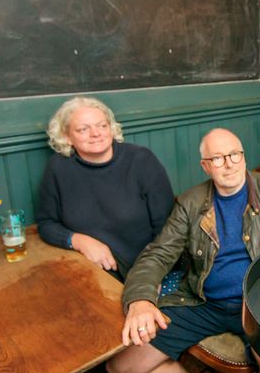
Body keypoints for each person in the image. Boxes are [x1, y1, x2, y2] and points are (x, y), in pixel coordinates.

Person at [106, 128, 260, 373]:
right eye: (218, 158)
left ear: (243, 156)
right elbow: (158, 254)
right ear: (205, 165)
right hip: (202, 302)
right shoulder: (191, 202)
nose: (229, 164)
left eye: (235, 154)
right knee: (122, 367)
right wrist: (139, 298)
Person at [37, 96, 174, 281]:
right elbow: (46, 223)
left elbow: (168, 230)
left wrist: (149, 277)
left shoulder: (141, 160)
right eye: (83, 129)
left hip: (144, 271)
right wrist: (79, 241)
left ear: (111, 128)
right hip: (88, 272)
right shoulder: (58, 168)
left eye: (102, 125)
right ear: (66, 137)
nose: (96, 133)